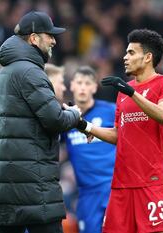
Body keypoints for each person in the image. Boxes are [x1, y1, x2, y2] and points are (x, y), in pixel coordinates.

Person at [77, 29, 163, 233]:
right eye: (125, 52)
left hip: (151, 183)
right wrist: (85, 126)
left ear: (148, 57)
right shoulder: (123, 93)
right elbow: (118, 135)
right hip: (121, 185)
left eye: (131, 52)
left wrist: (132, 93)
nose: (125, 57)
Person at [0, 11, 82, 233]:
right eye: (49, 35)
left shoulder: (6, 71)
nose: (53, 40)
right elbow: (55, 120)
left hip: (9, 180)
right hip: (33, 181)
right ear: (33, 38)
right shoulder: (30, 71)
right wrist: (75, 114)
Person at [63, 66, 116, 233]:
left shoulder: (111, 111)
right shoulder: (64, 117)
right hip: (87, 194)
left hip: (113, 189)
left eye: (87, 83)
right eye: (79, 83)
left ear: (94, 87)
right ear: (72, 86)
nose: (83, 87)